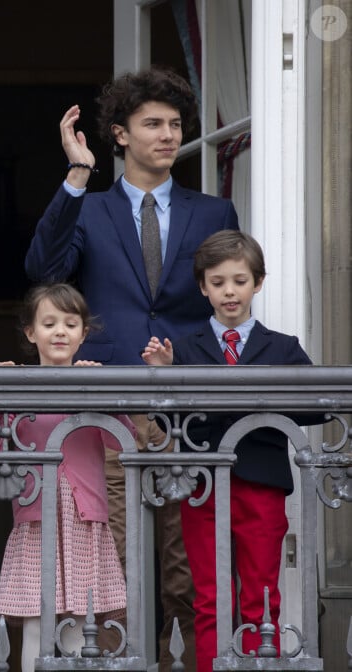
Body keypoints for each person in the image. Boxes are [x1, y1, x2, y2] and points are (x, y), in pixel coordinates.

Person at [25, 66, 239, 671]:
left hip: (184, 409)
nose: (167, 135)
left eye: (175, 125)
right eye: (152, 124)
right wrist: (75, 173)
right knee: (110, 559)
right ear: (120, 134)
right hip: (107, 408)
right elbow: (44, 270)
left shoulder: (214, 211)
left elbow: (226, 301)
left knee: (182, 564)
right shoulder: (89, 209)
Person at [142, 230, 315, 672]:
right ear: (203, 287)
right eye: (218, 282)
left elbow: (314, 407)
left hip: (262, 485)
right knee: (209, 596)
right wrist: (163, 377)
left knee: (261, 595)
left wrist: (239, 402)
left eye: (239, 280)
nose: (229, 291)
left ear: (258, 283)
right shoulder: (182, 348)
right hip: (202, 489)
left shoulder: (284, 348)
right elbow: (166, 420)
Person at [0, 283, 137, 672]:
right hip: (36, 523)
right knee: (36, 624)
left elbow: (122, 440)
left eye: (70, 323)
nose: (60, 331)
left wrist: (101, 393)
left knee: (80, 629)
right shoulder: (18, 386)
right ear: (31, 333)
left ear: (83, 334)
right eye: (49, 323)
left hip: (83, 523)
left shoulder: (90, 383)